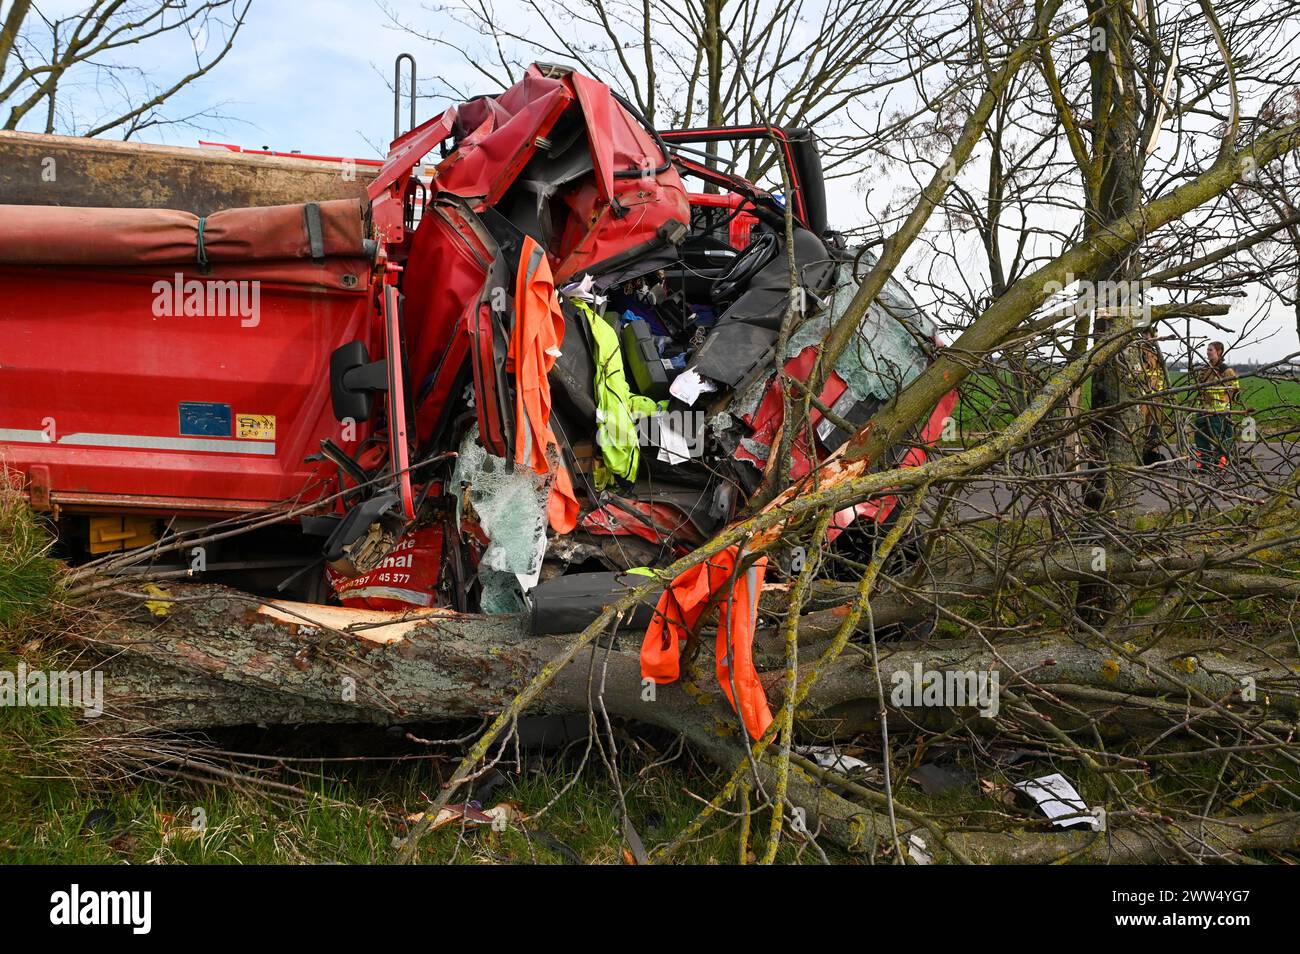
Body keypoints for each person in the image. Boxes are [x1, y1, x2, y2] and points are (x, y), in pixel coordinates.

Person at [1193, 341, 1240, 470]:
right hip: (1203, 410)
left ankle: (1222, 465)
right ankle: (1204, 465)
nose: (1207, 352)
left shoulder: (1226, 371)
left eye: (1210, 350)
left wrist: (1226, 404)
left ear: (1219, 352)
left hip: (1219, 412)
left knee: (1221, 438)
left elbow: (1235, 390)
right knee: (1201, 437)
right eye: (1207, 350)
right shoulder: (1205, 370)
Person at [1135, 326, 1168, 464]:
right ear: (1144, 335)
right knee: (1140, 427)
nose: (1155, 338)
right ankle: (1137, 454)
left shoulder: (1155, 352)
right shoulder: (1138, 351)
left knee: (1155, 428)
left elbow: (1160, 374)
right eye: (1152, 335)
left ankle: (1152, 454)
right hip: (1143, 397)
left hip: (1157, 397)